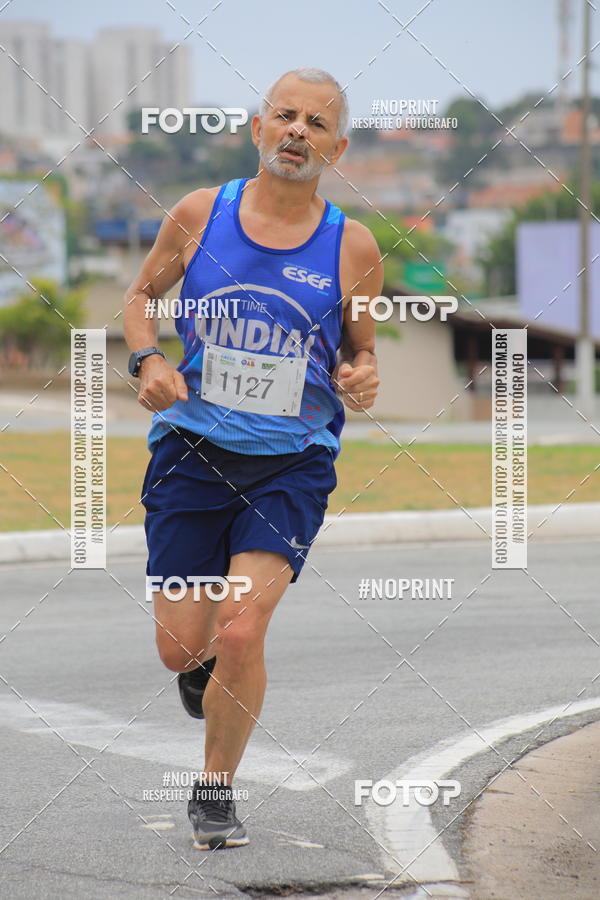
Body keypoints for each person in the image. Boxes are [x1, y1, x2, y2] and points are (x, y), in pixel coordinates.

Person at [123, 66, 383, 850]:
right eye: (285, 115)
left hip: (291, 461)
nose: (297, 130)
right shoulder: (202, 214)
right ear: (257, 128)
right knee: (182, 646)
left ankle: (215, 790)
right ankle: (202, 675)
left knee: (240, 630)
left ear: (336, 147)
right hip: (190, 452)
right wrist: (148, 362)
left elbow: (362, 352)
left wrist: (362, 374)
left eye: (316, 123)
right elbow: (140, 299)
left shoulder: (353, 245)